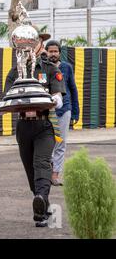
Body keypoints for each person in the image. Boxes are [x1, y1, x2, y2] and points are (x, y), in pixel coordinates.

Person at [0, 27, 66, 227]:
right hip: (24, 126)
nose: (29, 47)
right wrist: (2, 106)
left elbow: (59, 97)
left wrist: (53, 99)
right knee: (31, 171)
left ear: (40, 44)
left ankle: (40, 205)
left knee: (42, 164)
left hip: (45, 124)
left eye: (33, 43)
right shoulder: (15, 71)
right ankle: (42, 205)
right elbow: (7, 97)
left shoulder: (51, 69)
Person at [46, 39, 79, 186]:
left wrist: (75, 112)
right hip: (46, 110)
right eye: (50, 51)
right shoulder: (43, 68)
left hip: (64, 110)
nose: (53, 54)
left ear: (60, 53)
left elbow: (73, 89)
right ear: (46, 52)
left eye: (55, 51)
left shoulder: (67, 67)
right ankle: (47, 170)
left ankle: (55, 175)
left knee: (61, 142)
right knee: (47, 142)